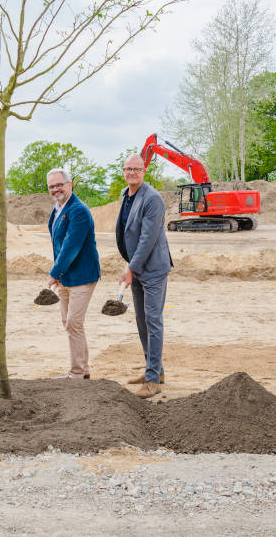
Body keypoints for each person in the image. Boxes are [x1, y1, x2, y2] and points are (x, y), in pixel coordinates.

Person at [115, 153, 172, 398]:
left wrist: (131, 269)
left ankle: (152, 382)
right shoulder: (125, 195)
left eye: (136, 169)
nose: (132, 173)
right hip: (137, 267)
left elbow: (148, 239)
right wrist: (131, 266)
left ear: (144, 171)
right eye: (128, 169)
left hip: (153, 269)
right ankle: (154, 370)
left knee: (153, 321)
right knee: (141, 321)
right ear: (124, 171)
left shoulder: (153, 199)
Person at [46, 167, 100, 380]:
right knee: (68, 323)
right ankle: (83, 370)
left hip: (82, 276)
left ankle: (77, 373)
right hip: (65, 276)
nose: (56, 189)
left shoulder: (78, 210)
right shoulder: (57, 208)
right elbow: (57, 244)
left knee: (74, 323)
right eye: (52, 186)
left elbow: (71, 246)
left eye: (59, 184)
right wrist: (59, 274)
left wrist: (54, 272)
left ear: (69, 184)